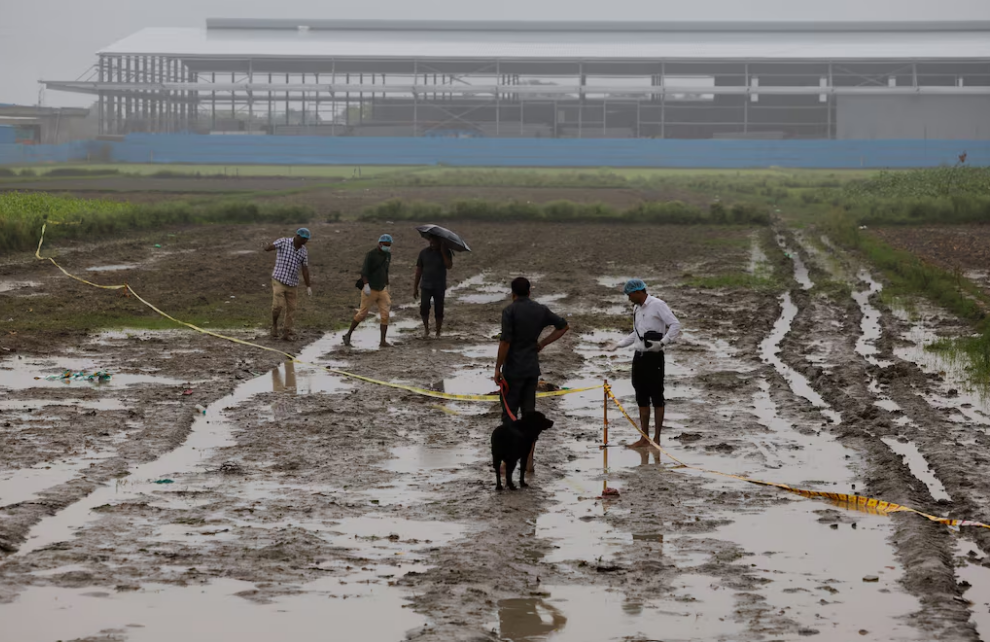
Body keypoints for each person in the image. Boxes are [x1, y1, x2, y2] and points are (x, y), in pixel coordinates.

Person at [494, 277, 570, 472]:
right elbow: (563, 326)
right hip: (531, 371)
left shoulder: (509, 311)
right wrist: (542, 343)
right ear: (529, 292)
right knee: (529, 416)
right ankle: (528, 462)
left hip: (512, 371)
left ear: (512, 294)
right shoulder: (540, 310)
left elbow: (505, 342)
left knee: (509, 416)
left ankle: (507, 461)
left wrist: (497, 368)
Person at [610, 278, 681, 449]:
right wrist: (618, 344)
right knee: (641, 395)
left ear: (638, 292)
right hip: (639, 355)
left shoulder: (657, 305)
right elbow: (636, 333)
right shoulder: (636, 308)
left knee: (656, 396)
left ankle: (657, 438)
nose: (629, 299)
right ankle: (644, 438)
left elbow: (675, 324)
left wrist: (662, 343)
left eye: (630, 295)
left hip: (654, 356)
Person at [343, 234, 393, 348]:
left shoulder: (388, 255)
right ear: (380, 244)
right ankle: (348, 334)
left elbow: (386, 270)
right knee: (362, 314)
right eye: (386, 245)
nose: (387, 247)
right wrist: (366, 285)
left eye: (389, 245)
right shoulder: (371, 255)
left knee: (385, 314)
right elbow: (364, 272)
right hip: (371, 289)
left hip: (382, 289)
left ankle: (383, 341)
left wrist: (387, 284)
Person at [263, 228, 312, 341]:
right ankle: (274, 325)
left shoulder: (304, 251)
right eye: (303, 239)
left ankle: (287, 331)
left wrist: (308, 286)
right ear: (297, 236)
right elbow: (272, 246)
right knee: (278, 305)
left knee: (292, 308)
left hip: (292, 283)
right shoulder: (284, 242)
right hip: (279, 279)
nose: (304, 241)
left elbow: (305, 269)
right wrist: (267, 247)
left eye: (306, 240)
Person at [413, 236, 453, 339]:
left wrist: (443, 252)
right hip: (426, 286)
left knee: (439, 309)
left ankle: (438, 332)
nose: (432, 243)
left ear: (439, 242)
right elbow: (418, 270)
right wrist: (415, 287)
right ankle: (426, 330)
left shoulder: (446, 252)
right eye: (431, 241)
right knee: (424, 307)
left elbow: (449, 266)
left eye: (435, 242)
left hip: (439, 286)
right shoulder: (423, 253)